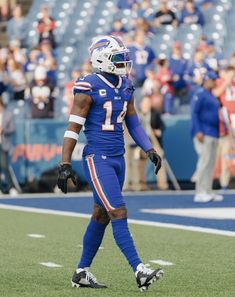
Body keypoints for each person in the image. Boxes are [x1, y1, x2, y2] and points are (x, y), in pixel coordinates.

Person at [57, 35, 163, 291]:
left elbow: (133, 121)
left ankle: (81, 272)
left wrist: (148, 148)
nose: (123, 61)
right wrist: (64, 163)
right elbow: (73, 128)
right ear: (101, 59)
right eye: (117, 57)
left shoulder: (126, 85)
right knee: (118, 211)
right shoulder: (88, 85)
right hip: (97, 158)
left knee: (101, 214)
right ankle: (140, 271)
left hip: (118, 158)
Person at [191, 71, 223, 202]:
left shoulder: (211, 95)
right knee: (204, 162)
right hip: (204, 132)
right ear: (206, 80)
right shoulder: (200, 94)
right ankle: (199, 192)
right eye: (213, 79)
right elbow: (194, 113)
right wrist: (198, 131)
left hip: (214, 132)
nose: (215, 82)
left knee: (211, 163)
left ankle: (208, 190)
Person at [0, 96, 18, 195]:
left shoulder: (7, 114)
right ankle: (1, 187)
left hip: (3, 143)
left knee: (4, 165)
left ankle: (11, 187)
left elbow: (12, 129)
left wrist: (3, 130)